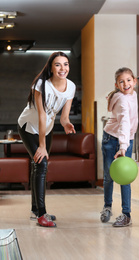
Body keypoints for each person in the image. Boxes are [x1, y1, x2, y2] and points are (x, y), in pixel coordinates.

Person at [17, 51, 76, 227]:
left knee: (39, 165)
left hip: (47, 128)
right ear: (51, 67)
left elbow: (64, 116)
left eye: (65, 64)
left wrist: (66, 124)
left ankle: (35, 210)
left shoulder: (70, 86)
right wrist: (42, 145)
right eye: (58, 64)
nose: (62, 68)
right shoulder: (41, 84)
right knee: (41, 163)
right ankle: (42, 214)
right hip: (28, 127)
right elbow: (42, 115)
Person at [100, 67, 138, 227]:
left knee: (125, 178)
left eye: (129, 80)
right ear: (116, 84)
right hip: (112, 140)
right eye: (121, 82)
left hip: (126, 140)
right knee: (109, 176)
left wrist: (125, 143)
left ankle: (126, 214)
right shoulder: (122, 99)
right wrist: (123, 146)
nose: (126, 84)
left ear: (134, 81)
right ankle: (107, 206)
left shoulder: (133, 95)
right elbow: (124, 122)